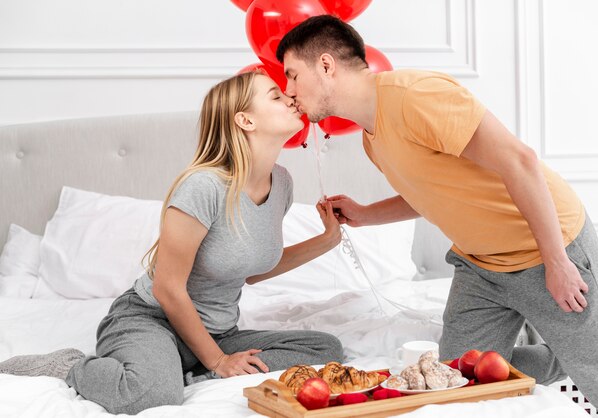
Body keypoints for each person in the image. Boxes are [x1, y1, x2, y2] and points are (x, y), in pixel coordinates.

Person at [276, 14, 598, 418]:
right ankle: (561, 355)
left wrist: (558, 262)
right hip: (479, 268)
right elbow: (430, 193)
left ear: (325, 65)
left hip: (545, 248)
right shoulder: (372, 140)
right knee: (455, 384)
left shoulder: (416, 96)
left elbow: (520, 161)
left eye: (292, 75)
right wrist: (365, 214)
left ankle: (580, 352)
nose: (289, 91)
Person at [0, 71, 344, 415]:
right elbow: (167, 288)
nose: (289, 97)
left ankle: (183, 366)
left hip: (218, 331)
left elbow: (249, 270)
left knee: (324, 348)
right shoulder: (203, 186)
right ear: (245, 120)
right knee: (149, 396)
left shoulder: (281, 183)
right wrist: (219, 360)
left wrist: (326, 240)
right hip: (152, 319)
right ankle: (72, 365)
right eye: (274, 95)